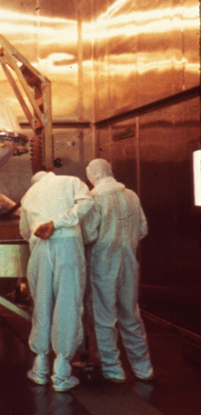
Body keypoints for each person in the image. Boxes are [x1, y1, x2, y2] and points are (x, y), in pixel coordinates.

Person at [20, 170, 93, 393]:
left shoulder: (29, 193)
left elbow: (24, 231)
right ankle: (61, 374)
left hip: (40, 248)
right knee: (67, 304)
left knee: (42, 305)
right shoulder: (71, 181)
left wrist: (45, 226)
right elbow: (87, 203)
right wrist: (59, 222)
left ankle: (40, 369)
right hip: (67, 244)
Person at [84, 158, 154, 382]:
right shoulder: (131, 195)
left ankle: (113, 369)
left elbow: (89, 234)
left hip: (103, 263)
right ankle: (143, 368)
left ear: (92, 176)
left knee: (104, 316)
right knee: (131, 314)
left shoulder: (95, 198)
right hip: (129, 262)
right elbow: (142, 229)